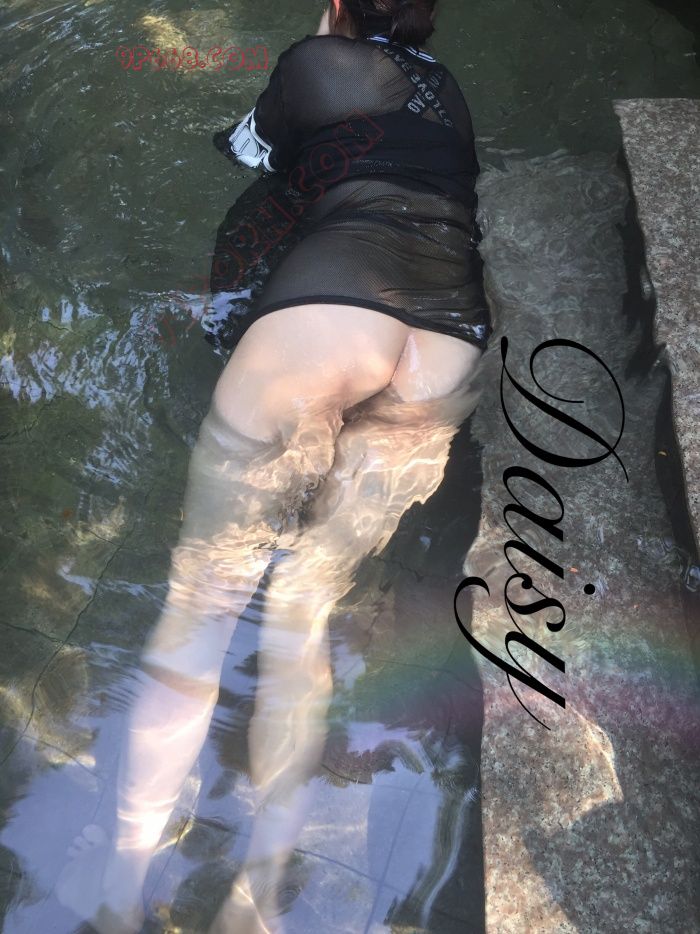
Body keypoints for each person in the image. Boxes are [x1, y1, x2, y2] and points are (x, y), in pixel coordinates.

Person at [56, 1, 491, 932]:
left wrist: (317, 47)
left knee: (203, 607)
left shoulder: (316, 61)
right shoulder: (451, 93)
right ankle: (258, 890)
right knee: (302, 610)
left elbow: (252, 155)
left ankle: (125, 883)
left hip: (331, 310)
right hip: (446, 342)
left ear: (337, 5)